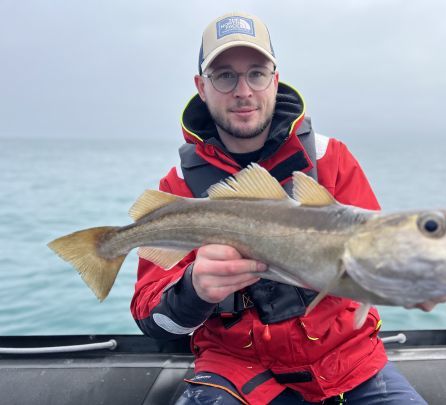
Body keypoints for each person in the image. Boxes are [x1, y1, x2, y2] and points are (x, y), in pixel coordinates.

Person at [131, 12, 427, 405]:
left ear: (275, 77)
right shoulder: (179, 189)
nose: (243, 91)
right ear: (201, 87)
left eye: (256, 73)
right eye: (224, 76)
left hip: (350, 366)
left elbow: (378, 259)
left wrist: (414, 279)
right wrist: (195, 289)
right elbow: (153, 321)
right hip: (236, 374)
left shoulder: (330, 159)